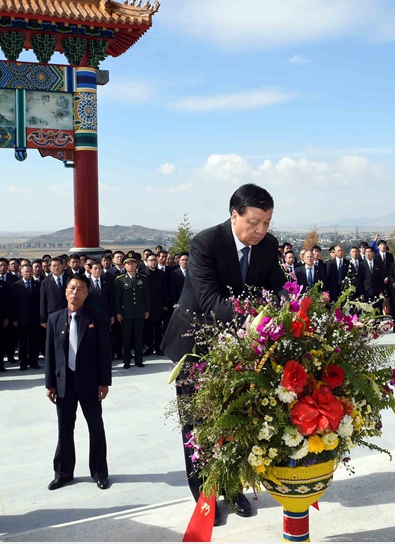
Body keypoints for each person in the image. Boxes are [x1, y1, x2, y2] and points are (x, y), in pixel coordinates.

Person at [161, 183, 286, 524]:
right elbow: (211, 302)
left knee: (237, 418)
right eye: (254, 222)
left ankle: (233, 488)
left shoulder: (268, 245)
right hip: (195, 346)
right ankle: (204, 497)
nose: (260, 230)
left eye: (267, 222)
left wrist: (288, 307)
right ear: (234, 215)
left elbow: (277, 287)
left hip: (240, 346)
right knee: (198, 426)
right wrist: (260, 317)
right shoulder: (206, 243)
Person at [45, 274, 111, 491]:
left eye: (80, 289)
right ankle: (63, 473)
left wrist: (104, 382)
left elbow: (105, 351)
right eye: (72, 288)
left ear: (86, 293)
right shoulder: (55, 318)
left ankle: (99, 472)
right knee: (64, 429)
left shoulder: (96, 317)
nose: (75, 292)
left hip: (90, 382)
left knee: (96, 428)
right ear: (66, 292)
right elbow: (50, 353)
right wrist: (49, 384)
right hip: (64, 383)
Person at [114, 252, 150, 369]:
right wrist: (118, 312)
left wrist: (147, 310)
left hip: (139, 312)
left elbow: (146, 296)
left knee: (139, 337)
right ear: (124, 266)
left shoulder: (142, 278)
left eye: (133, 263)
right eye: (128, 264)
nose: (131, 266)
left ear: (136, 265)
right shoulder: (119, 280)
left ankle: (139, 360)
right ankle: (126, 361)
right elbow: (117, 298)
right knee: (126, 338)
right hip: (126, 313)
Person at [10, 262, 43, 371]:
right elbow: (13, 304)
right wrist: (14, 318)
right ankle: (23, 362)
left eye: (30, 271)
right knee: (22, 342)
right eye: (26, 272)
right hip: (21, 319)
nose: (29, 273)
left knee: (34, 341)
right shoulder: (16, 286)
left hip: (35, 319)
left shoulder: (38, 285)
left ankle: (34, 361)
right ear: (21, 273)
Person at [143, 253, 168, 357]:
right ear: (147, 261)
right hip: (146, 305)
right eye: (151, 260)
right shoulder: (142, 273)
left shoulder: (161, 274)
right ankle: (148, 348)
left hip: (158, 304)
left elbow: (165, 290)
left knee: (158, 328)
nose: (153, 262)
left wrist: (165, 304)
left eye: (154, 260)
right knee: (147, 327)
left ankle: (158, 348)